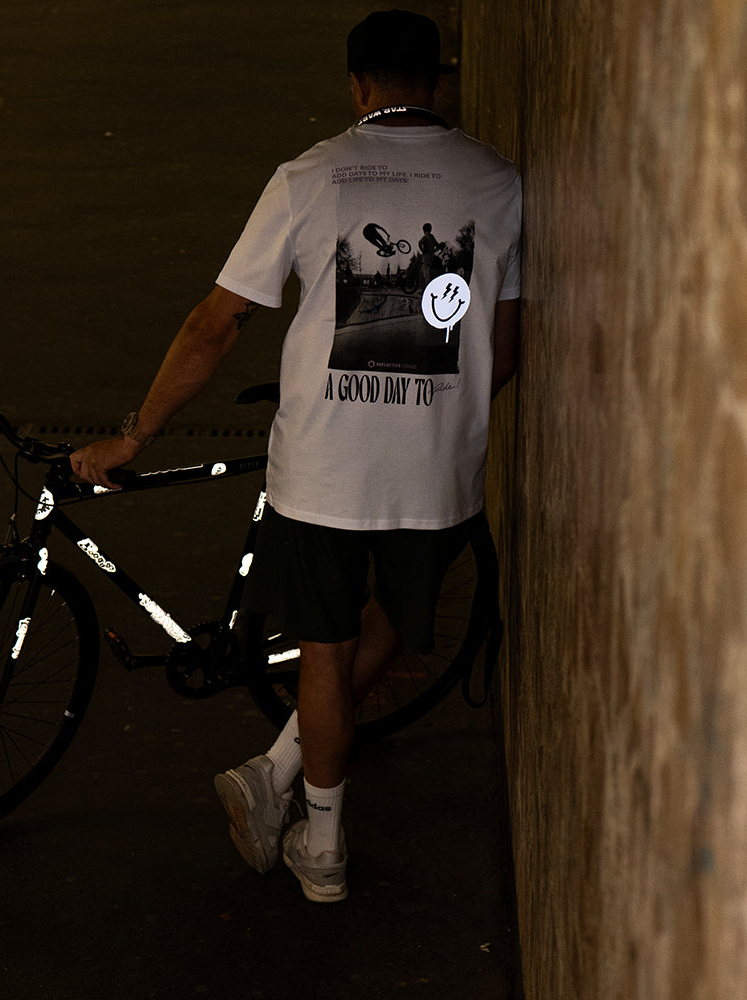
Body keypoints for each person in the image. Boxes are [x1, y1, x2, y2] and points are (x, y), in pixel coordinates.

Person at [72, 9, 522, 904]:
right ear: (438, 83)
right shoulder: (500, 184)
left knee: (325, 653)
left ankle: (320, 840)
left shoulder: (309, 176)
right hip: (435, 472)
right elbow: (508, 347)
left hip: (321, 469)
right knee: (397, 609)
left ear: (356, 85)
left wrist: (136, 435)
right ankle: (292, 801)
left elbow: (217, 324)